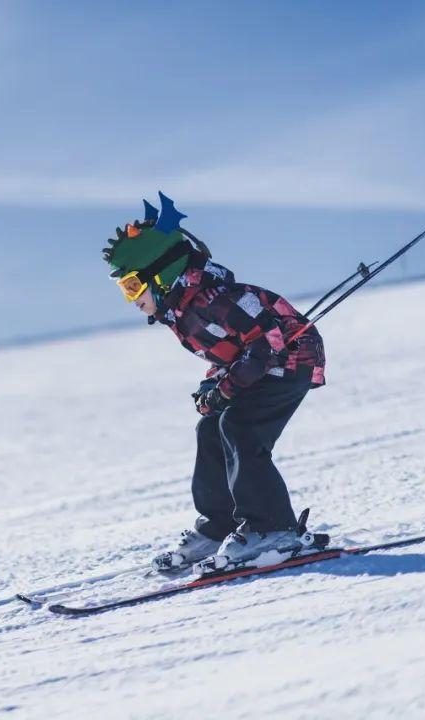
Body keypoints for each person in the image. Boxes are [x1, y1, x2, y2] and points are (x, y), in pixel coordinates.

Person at [102, 193, 326, 571]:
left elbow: (266, 344)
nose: (131, 300)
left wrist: (225, 389)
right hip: (261, 366)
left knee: (239, 427)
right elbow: (230, 354)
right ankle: (218, 526)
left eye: (131, 287)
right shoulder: (183, 311)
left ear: (160, 275)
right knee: (210, 428)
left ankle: (272, 529)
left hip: (290, 362)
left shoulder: (216, 299)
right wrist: (214, 386)